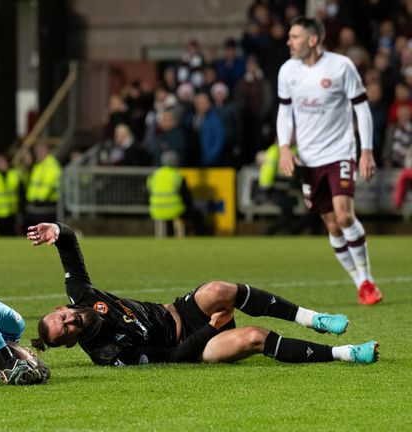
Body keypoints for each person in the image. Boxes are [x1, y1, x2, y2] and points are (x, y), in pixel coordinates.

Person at [26, 222, 379, 366]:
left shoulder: (81, 294)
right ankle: (347, 353)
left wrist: (56, 229)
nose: (70, 321)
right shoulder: (107, 352)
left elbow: (70, 244)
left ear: (61, 307)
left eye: (62, 317)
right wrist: (212, 327)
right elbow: (174, 357)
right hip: (196, 345)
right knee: (255, 337)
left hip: (180, 310)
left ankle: (313, 319)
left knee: (219, 288)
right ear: (71, 342)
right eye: (66, 331)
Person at [276, 17, 382, 305]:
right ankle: (360, 282)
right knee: (333, 225)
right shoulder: (287, 71)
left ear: (312, 40)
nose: (289, 41)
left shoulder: (340, 66)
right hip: (309, 160)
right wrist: (285, 147)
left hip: (339, 152)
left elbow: (361, 108)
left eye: (294, 36)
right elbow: (285, 112)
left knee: (345, 215)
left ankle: (368, 280)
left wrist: (366, 151)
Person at [24, 142, 61, 228]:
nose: (39, 153)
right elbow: (34, 185)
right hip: (36, 203)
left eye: (41, 151)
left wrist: (39, 199)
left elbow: (48, 184)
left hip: (45, 204)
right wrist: (30, 198)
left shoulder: (51, 165)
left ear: (47, 151)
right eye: (37, 151)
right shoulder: (39, 165)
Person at [0, 153, 22, 236]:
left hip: (12, 211)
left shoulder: (15, 174)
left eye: (3, 161)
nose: (1, 163)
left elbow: (21, 194)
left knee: (12, 234)